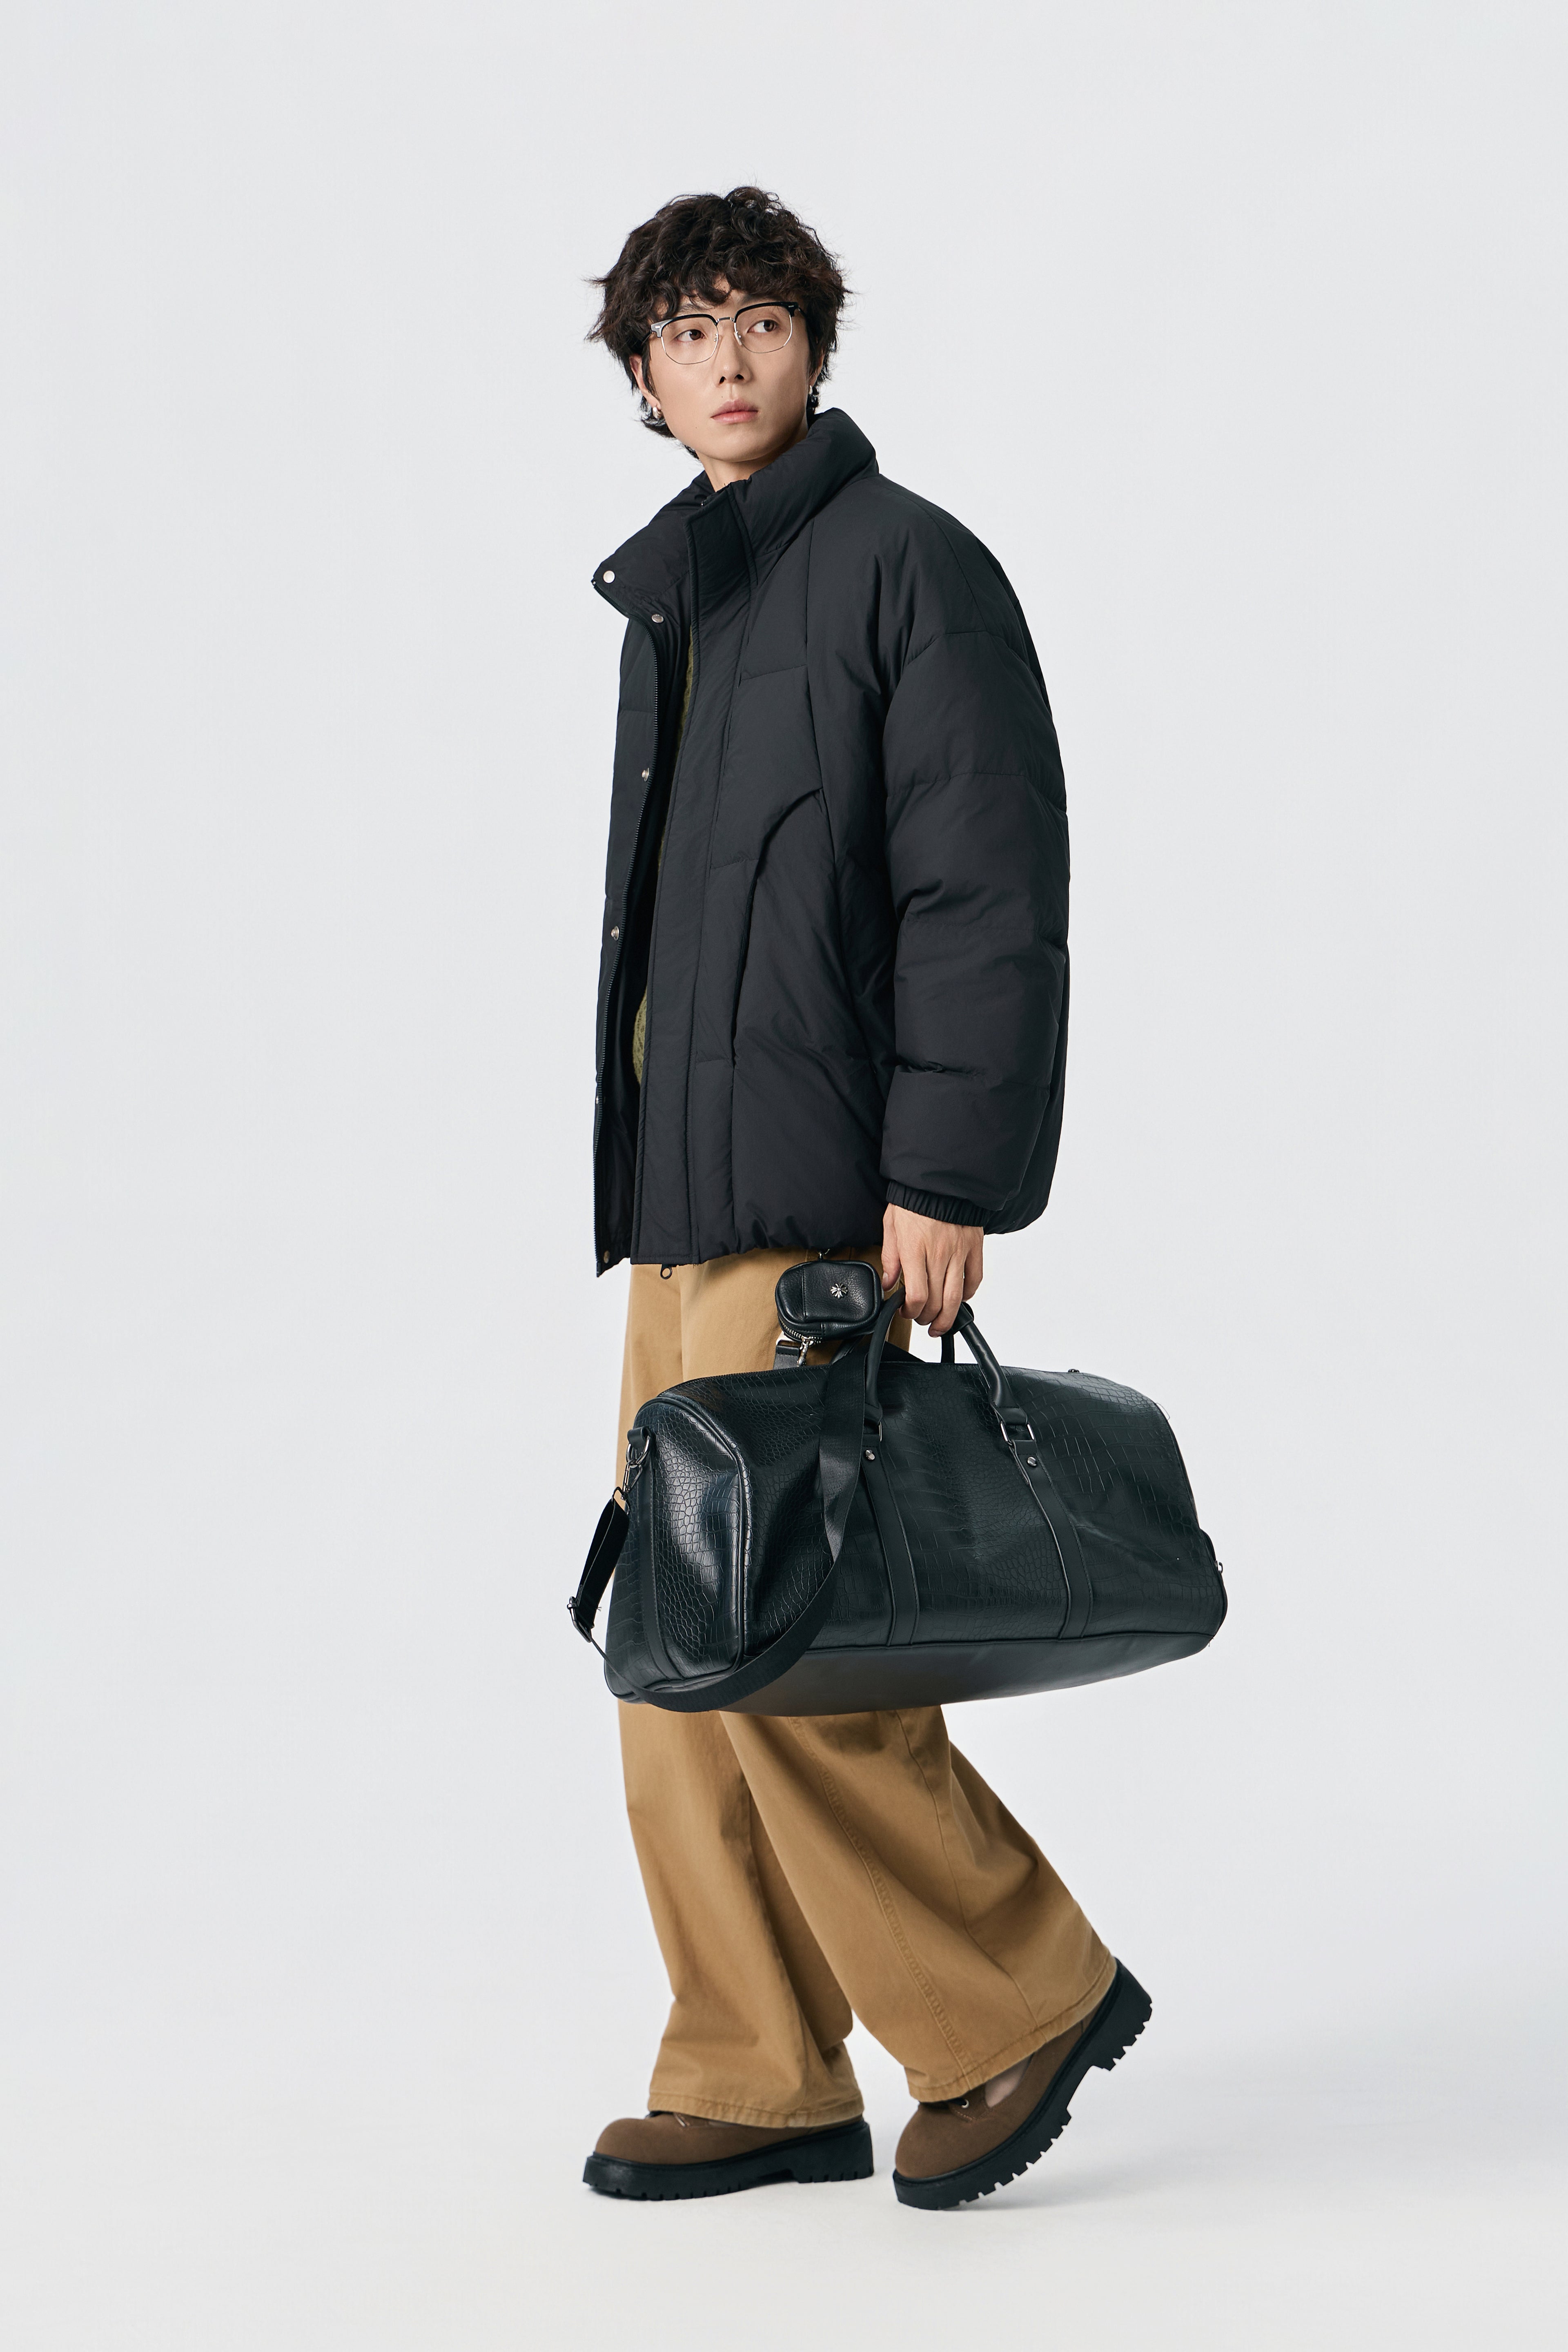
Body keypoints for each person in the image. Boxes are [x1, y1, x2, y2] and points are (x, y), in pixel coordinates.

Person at [579, 187, 1144, 2211]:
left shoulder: (912, 568)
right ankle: (755, 2065)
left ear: (815, 347)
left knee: (791, 1646)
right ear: (645, 379)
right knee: (673, 1662)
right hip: (682, 1211)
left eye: (761, 322)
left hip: (820, 1207)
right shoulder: (688, 596)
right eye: (687, 331)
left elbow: (985, 889)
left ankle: (1017, 1999)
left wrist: (944, 1176)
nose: (727, 360)